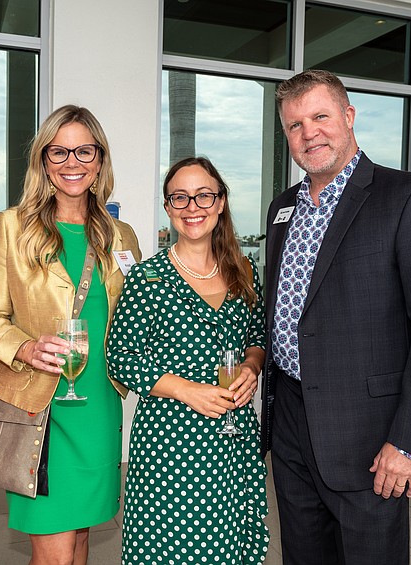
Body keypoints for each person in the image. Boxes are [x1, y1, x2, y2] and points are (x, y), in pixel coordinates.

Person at [261, 69, 411, 564]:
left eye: (320, 116)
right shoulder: (282, 208)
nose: (309, 133)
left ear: (349, 116)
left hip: (370, 435)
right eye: (295, 125)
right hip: (291, 419)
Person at [0, 105, 141, 565]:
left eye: (84, 151)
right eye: (59, 151)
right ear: (43, 161)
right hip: (39, 407)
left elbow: (135, 316)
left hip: (98, 405)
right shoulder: (11, 227)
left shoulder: (121, 235)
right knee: (55, 552)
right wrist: (25, 347)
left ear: (100, 159)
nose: (72, 162)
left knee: (80, 539)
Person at [107, 156, 269, 565]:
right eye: (180, 197)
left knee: (227, 544)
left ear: (221, 202)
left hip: (233, 437)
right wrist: (188, 391)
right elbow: (121, 357)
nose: (192, 207)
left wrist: (251, 367)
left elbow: (258, 336)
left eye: (203, 196)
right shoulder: (148, 278)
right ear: (168, 207)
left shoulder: (244, 271)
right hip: (170, 441)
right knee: (170, 545)